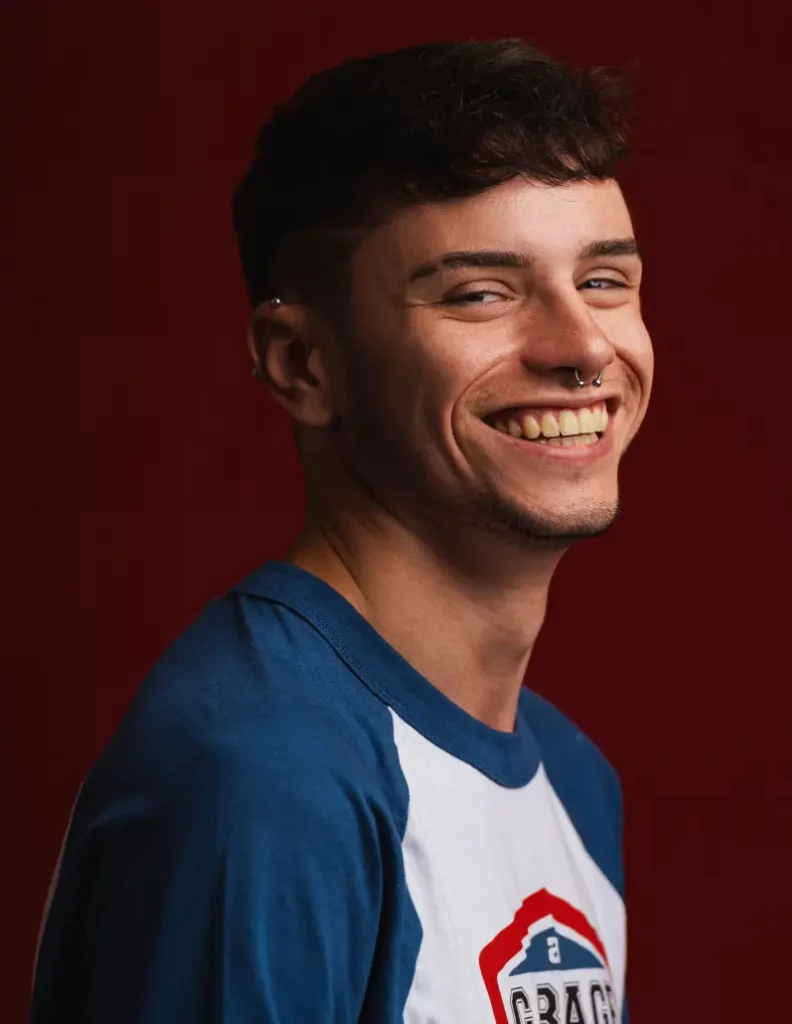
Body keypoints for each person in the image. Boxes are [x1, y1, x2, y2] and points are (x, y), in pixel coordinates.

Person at [32, 38, 652, 1023]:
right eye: (481, 293)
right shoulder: (266, 774)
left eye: (605, 280)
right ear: (302, 363)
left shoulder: (573, 782)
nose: (581, 346)